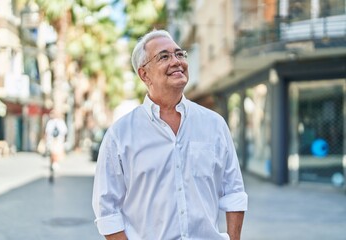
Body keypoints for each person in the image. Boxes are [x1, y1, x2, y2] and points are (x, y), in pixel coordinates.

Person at [92, 29, 248, 240]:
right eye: (164, 56)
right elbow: (107, 210)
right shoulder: (119, 136)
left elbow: (234, 192)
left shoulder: (215, 125)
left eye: (179, 54)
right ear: (144, 74)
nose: (176, 61)